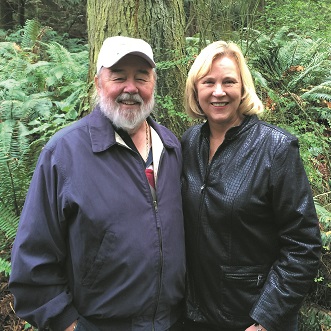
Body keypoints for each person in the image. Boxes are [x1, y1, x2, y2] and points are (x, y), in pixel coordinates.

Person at [9, 36, 185, 331]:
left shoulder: (171, 147)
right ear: (98, 82)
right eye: (119, 77)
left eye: (141, 77)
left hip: (172, 322)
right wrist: (69, 324)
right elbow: (31, 263)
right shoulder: (65, 154)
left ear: (153, 83)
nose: (131, 88)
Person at [181, 40, 321, 331]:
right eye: (209, 82)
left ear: (243, 87)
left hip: (253, 317)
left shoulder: (276, 149)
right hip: (195, 315)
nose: (218, 91)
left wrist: (266, 320)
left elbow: (303, 246)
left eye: (229, 81)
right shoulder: (188, 143)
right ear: (196, 89)